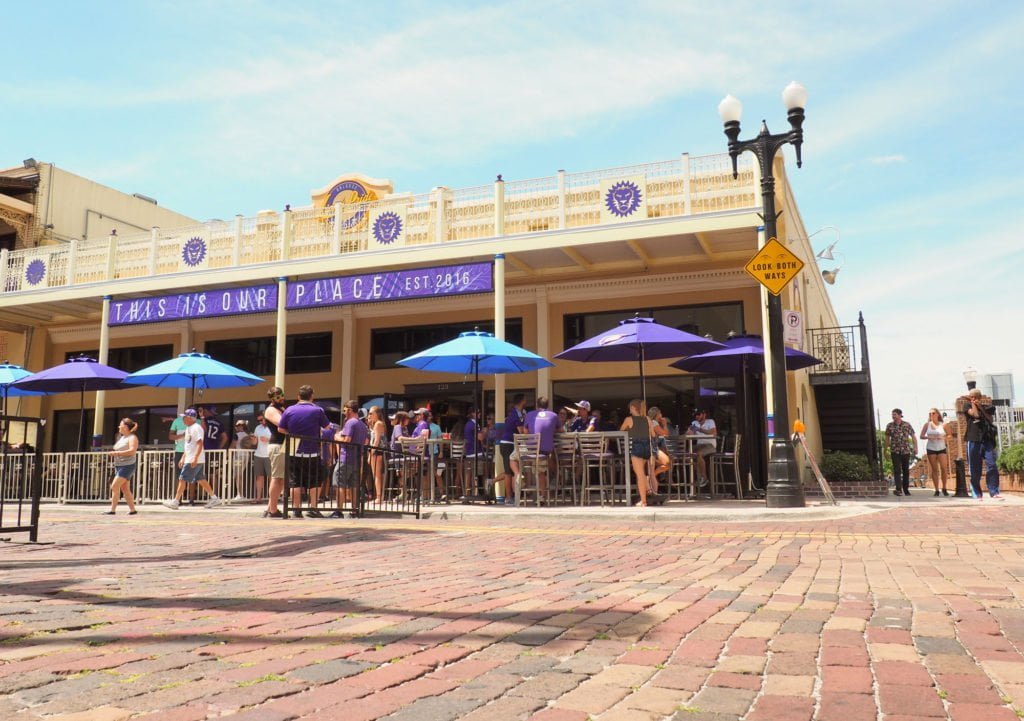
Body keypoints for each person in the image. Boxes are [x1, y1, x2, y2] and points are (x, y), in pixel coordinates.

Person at [277, 385, 331, 518]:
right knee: (315, 481)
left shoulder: (289, 410)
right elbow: (327, 427)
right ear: (312, 396)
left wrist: (292, 434)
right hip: (312, 450)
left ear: (298, 396)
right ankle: (313, 508)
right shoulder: (318, 410)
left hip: (294, 450)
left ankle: (296, 509)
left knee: (295, 481)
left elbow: (280, 429)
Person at [162, 408, 222, 509]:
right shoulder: (189, 428)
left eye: (184, 417)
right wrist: (183, 457)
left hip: (194, 459)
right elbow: (188, 445)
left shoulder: (196, 427)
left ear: (190, 418)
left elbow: (200, 443)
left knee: (182, 479)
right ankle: (214, 498)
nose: (183, 419)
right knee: (201, 479)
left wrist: (194, 458)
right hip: (192, 458)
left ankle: (175, 501)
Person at [963, 389, 1002, 500]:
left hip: (987, 440)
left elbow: (990, 420)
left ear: (979, 397)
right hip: (974, 440)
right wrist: (973, 404)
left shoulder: (987, 407)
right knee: (975, 468)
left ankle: (994, 491)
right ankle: (977, 492)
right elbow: (975, 415)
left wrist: (980, 407)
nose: (972, 398)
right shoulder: (967, 406)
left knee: (992, 465)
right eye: (971, 397)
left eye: (974, 397)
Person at [333, 400, 369, 517]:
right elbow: (366, 441)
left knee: (340, 484)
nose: (344, 413)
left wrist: (337, 437)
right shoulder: (363, 425)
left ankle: (339, 511)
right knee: (354, 486)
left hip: (346, 458)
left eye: (345, 410)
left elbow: (347, 440)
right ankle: (354, 510)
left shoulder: (350, 423)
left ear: (349, 410)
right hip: (357, 459)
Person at [621, 399, 656, 506]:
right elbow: (653, 435)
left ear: (632, 407)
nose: (629, 410)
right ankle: (648, 490)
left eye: (630, 408)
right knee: (641, 472)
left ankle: (644, 501)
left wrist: (630, 431)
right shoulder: (647, 419)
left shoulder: (628, 419)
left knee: (640, 474)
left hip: (636, 445)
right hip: (647, 447)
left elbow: (621, 430)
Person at [524, 397, 560, 498]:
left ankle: (521, 485)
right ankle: (543, 495)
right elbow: (561, 430)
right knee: (541, 470)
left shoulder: (530, 414)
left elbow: (525, 432)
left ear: (537, 405)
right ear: (548, 405)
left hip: (529, 451)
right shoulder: (554, 415)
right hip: (544, 451)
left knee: (513, 459)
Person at [262, 386, 288, 518]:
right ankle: (272, 510)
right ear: (272, 399)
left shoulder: (281, 408)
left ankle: (269, 508)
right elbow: (282, 424)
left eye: (282, 395)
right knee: (277, 478)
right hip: (277, 445)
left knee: (280, 478)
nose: (281, 398)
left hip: (282, 445)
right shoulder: (271, 410)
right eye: (278, 397)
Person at [105, 417, 139, 515]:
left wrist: (117, 453)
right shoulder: (122, 437)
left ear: (126, 427)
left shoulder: (132, 437)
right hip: (119, 465)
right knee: (125, 488)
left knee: (115, 486)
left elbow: (132, 450)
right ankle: (133, 510)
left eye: (121, 425)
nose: (119, 426)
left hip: (127, 465)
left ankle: (112, 510)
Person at [498, 394, 527, 504]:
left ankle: (512, 496)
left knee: (511, 471)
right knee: (508, 472)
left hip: (509, 444)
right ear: (522, 401)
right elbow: (521, 431)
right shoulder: (516, 414)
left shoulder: (516, 412)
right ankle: (508, 497)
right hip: (508, 444)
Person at [885, 408, 917, 496]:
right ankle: (898, 489)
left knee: (906, 470)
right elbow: (887, 439)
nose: (893, 416)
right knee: (897, 470)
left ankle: (906, 489)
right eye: (892, 414)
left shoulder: (907, 425)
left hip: (906, 451)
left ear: (900, 415)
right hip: (895, 450)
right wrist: (885, 451)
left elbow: (913, 437)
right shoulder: (889, 426)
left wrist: (915, 447)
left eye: (894, 414)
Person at [920, 408, 951, 497]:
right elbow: (921, 436)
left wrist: (943, 438)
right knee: (934, 469)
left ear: (937, 414)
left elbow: (950, 435)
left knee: (944, 468)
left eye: (933, 413)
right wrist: (928, 438)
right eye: (930, 414)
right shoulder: (927, 425)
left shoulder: (943, 425)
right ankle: (936, 489)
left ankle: (944, 488)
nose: (931, 415)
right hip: (931, 448)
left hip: (941, 448)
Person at [686, 409, 717, 489]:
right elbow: (690, 433)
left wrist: (700, 429)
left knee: (699, 453)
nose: (697, 416)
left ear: (704, 414)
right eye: (695, 415)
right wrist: (689, 432)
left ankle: (704, 478)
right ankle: (700, 476)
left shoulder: (710, 421)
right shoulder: (694, 423)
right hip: (699, 445)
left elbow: (714, 433)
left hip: (710, 445)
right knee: (687, 454)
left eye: (698, 414)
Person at [366, 406, 387, 504]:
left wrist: (371, 453)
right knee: (376, 475)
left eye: (371, 413)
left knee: (377, 475)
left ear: (377, 414)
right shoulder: (376, 424)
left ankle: (379, 497)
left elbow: (376, 441)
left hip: (377, 452)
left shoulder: (378, 424)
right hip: (376, 451)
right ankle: (378, 495)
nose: (369, 415)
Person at [647, 406, 671, 484]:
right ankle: (651, 477)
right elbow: (665, 434)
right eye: (660, 413)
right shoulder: (654, 422)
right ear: (656, 414)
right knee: (667, 463)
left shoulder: (652, 422)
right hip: (651, 448)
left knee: (667, 463)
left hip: (652, 448)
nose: (661, 415)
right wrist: (664, 425)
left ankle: (651, 476)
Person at [252, 414, 271, 501]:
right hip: (258, 454)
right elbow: (255, 443)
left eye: (262, 419)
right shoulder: (257, 428)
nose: (261, 422)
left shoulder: (273, 426)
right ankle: (258, 498)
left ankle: (272, 498)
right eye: (259, 420)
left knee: (272, 477)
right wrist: (252, 439)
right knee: (259, 477)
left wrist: (268, 440)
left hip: (269, 454)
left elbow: (279, 439)